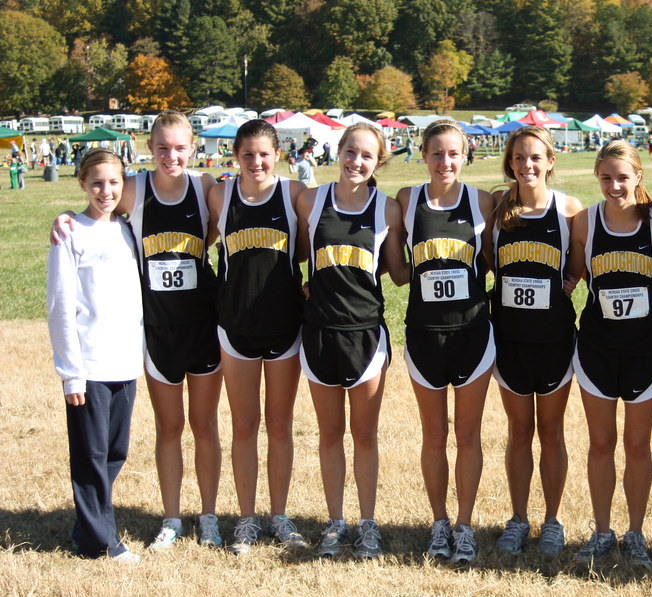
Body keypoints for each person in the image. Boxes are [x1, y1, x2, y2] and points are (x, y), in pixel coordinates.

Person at [51, 111, 225, 550]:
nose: (171, 155)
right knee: (169, 428)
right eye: (162, 147)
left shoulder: (206, 189)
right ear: (150, 148)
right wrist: (65, 218)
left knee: (204, 426)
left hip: (202, 327)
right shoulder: (134, 188)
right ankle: (170, 518)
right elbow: (98, 202)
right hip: (158, 333)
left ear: (193, 146)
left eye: (180, 147)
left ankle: (207, 515)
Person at [296, 123, 407, 560]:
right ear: (337, 152)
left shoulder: (388, 210)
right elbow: (299, 258)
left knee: (364, 434)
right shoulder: (310, 200)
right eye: (350, 152)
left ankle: (367, 524)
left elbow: (397, 272)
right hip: (319, 332)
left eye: (366, 156)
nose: (356, 162)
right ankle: (334, 522)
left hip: (364, 334)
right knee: (329, 434)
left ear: (378, 162)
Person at [567, 140, 652, 568]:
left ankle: (634, 533)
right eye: (606, 178)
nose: (615, 186)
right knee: (601, 442)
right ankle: (601, 531)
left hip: (645, 349)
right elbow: (573, 276)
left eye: (622, 177)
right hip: (596, 348)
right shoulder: (584, 223)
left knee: (637, 444)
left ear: (638, 177)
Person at [397, 119, 496, 565]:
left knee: (468, 435)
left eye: (453, 153)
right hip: (423, 335)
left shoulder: (482, 202)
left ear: (465, 155)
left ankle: (465, 524)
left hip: (472, 334)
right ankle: (438, 523)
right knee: (434, 435)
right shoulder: (406, 200)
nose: (445, 162)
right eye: (437, 153)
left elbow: (494, 262)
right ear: (423, 155)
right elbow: (395, 267)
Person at [207, 119, 308, 555]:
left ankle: (279, 515)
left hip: (285, 326)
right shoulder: (219, 195)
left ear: (279, 155)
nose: (256, 162)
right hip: (236, 327)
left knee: (281, 425)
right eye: (247, 154)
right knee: (245, 425)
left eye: (264, 153)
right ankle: (246, 519)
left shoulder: (294, 195)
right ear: (235, 157)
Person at [490, 126, 584, 556]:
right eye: (519, 158)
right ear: (510, 162)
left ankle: (552, 520)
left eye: (535, 158)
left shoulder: (568, 210)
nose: (527, 165)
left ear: (550, 161)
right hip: (510, 337)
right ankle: (518, 518)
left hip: (554, 339)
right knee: (518, 430)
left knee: (551, 431)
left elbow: (579, 265)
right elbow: (489, 263)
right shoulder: (497, 208)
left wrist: (566, 284)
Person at [47, 148, 144, 563]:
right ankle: (100, 542)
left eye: (114, 183)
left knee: (115, 452)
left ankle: (85, 524)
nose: (106, 191)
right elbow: (59, 306)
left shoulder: (126, 229)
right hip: (90, 366)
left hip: (125, 363)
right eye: (98, 183)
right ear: (82, 184)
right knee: (91, 456)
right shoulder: (71, 233)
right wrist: (71, 373)